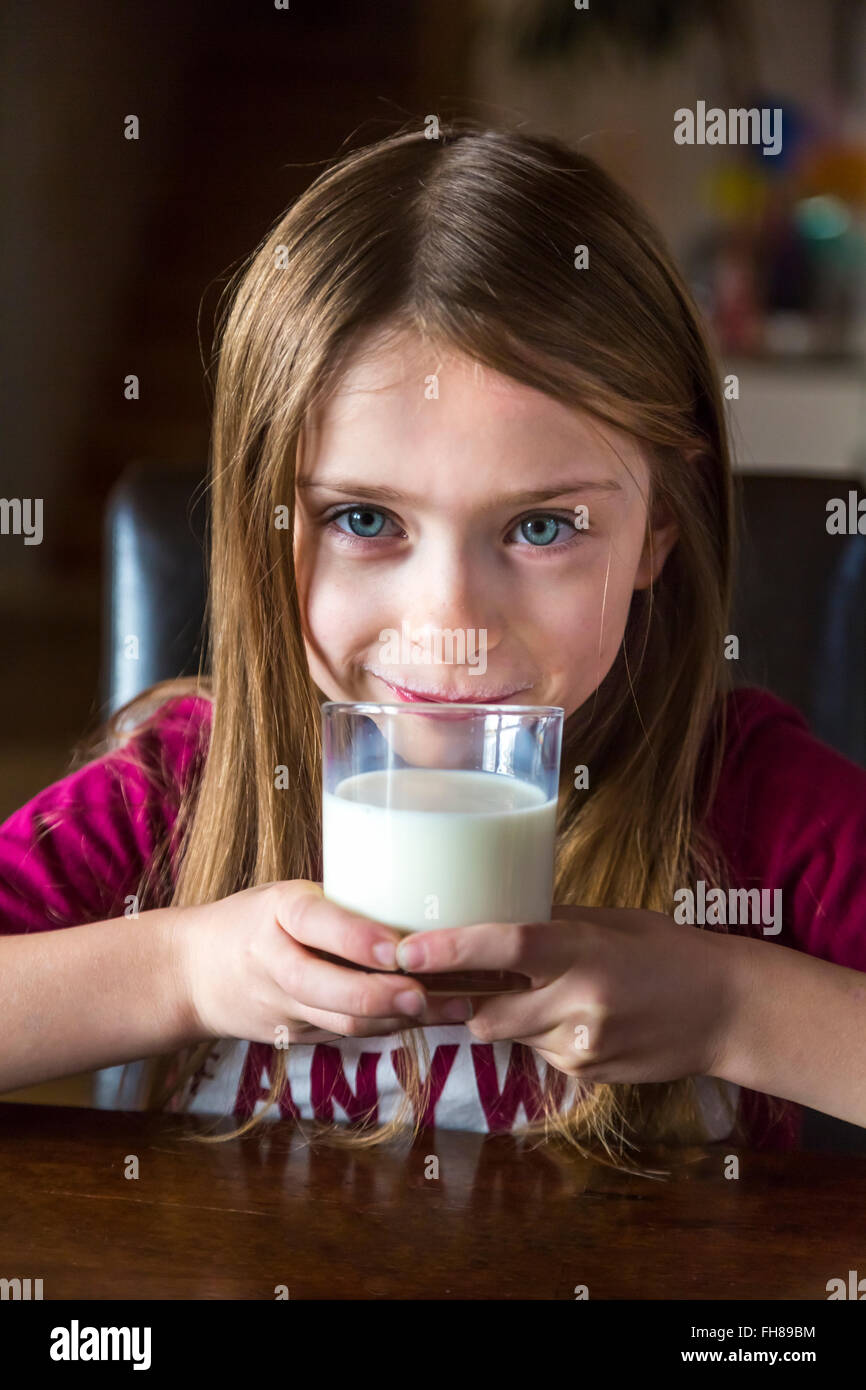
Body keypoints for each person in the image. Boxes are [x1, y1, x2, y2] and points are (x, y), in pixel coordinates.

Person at [2, 122, 865, 1175]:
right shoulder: (176, 792)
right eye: (365, 520)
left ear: (658, 532)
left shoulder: (759, 810)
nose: (449, 623)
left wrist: (735, 1006)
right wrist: (179, 971)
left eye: (541, 527)